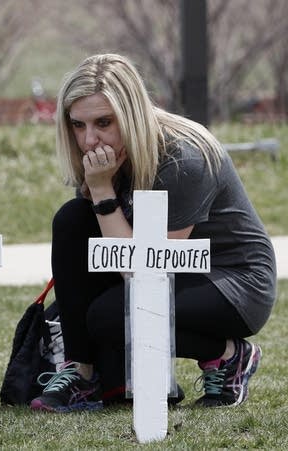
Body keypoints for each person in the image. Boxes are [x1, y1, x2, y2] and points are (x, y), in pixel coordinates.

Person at [30, 54, 276, 412]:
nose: (88, 139)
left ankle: (229, 354)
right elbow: (102, 245)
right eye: (78, 125)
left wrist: (101, 192)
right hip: (169, 268)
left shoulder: (183, 156)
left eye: (103, 122)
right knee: (71, 219)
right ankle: (82, 374)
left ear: (130, 115)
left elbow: (145, 270)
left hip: (232, 281)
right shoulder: (106, 153)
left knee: (108, 316)